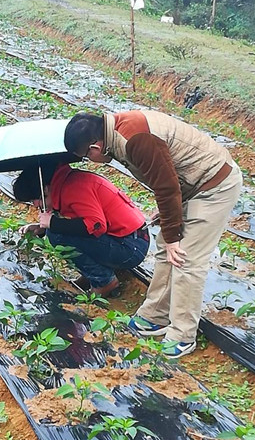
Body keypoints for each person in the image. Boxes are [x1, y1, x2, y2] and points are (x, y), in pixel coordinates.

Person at [64, 110, 242, 357]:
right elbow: (166, 178)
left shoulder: (135, 139)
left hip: (214, 186)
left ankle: (182, 334)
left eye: (85, 157)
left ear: (95, 147)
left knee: (185, 258)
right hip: (191, 187)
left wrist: (173, 236)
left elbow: (166, 188)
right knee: (165, 251)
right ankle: (154, 315)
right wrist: (169, 219)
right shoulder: (116, 135)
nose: (89, 161)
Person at [13, 160, 150, 297]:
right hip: (127, 238)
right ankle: (92, 275)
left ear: (45, 189)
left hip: (130, 246)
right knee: (55, 230)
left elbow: (96, 226)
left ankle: (104, 282)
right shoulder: (65, 183)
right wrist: (41, 228)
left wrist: (53, 224)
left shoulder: (74, 188)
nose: (35, 205)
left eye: (33, 200)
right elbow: (77, 220)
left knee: (56, 234)